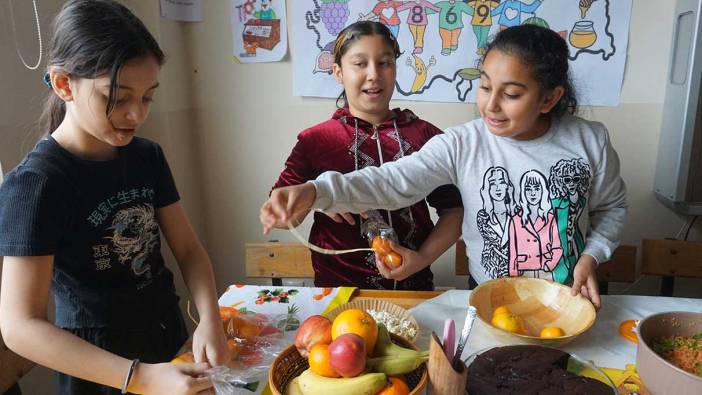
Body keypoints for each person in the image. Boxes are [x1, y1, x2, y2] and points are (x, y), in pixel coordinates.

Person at [260, 24, 627, 309]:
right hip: (489, 299)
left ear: (549, 98)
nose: (491, 106)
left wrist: (591, 257)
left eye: (511, 94)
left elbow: (611, 209)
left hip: (566, 299)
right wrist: (317, 190)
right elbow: (392, 180)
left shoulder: (589, 141)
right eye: (484, 87)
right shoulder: (462, 143)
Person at [0, 1, 228, 394]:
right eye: (118, 98)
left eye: (147, 97)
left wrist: (209, 319)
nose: (136, 115)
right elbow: (20, 326)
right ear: (64, 84)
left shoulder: (146, 156)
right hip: (99, 366)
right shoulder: (37, 184)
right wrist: (139, 377)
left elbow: (189, 250)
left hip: (165, 334)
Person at [268, 21, 463, 290]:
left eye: (385, 63)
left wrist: (420, 259)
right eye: (360, 64)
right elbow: (284, 216)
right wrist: (317, 198)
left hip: (413, 293)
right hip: (340, 296)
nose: (374, 74)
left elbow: (454, 210)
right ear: (338, 72)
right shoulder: (316, 140)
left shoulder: (425, 136)